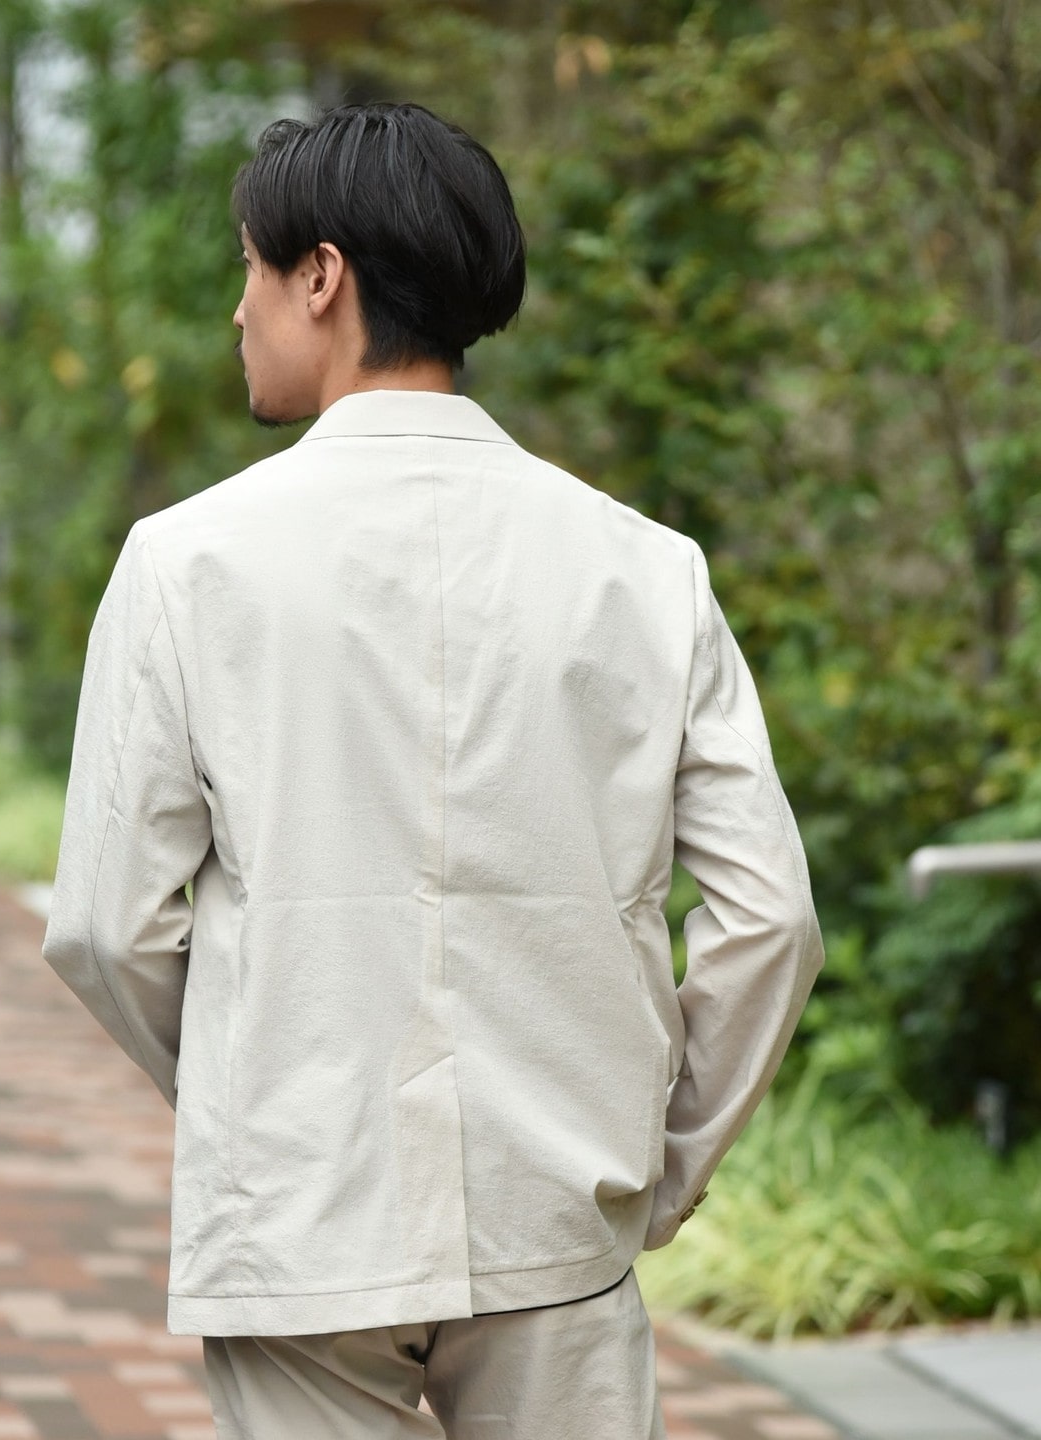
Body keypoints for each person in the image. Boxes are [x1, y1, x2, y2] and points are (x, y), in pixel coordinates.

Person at [43, 102, 824, 1440]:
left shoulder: (187, 563)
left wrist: (261, 1091)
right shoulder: (646, 569)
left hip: (299, 1215)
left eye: (250, 268)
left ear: (322, 277)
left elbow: (105, 928)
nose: (238, 309)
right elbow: (774, 921)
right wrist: (661, 1165)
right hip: (558, 1212)